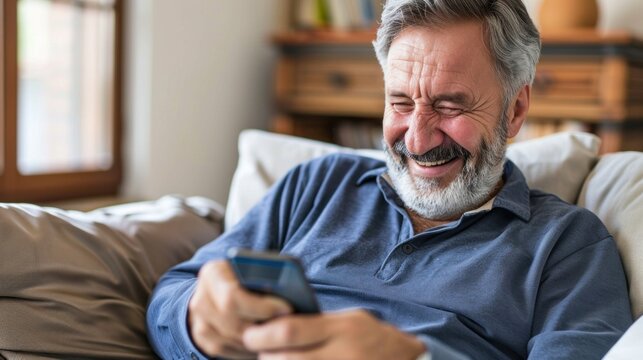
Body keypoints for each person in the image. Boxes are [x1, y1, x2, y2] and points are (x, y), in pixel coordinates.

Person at [147, 0, 633, 359]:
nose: (418, 140)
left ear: (515, 110)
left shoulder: (568, 244)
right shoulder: (316, 185)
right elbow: (178, 287)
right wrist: (197, 317)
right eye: (401, 103)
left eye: (450, 105)